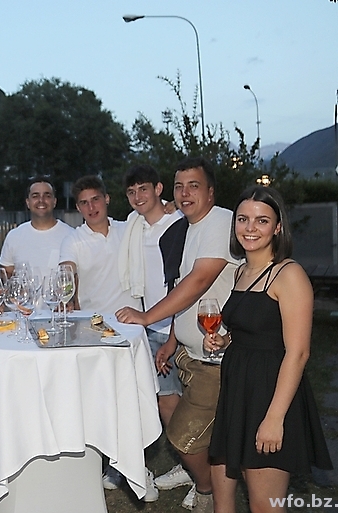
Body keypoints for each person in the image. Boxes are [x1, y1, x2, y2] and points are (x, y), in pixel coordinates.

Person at [116, 157, 240, 513]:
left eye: (193, 186)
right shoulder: (187, 228)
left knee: (183, 436)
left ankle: (206, 490)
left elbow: (198, 281)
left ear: (211, 192)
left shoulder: (221, 222)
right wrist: (172, 341)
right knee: (206, 435)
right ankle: (214, 492)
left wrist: (146, 317)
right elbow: (183, 289)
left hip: (215, 357)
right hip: (189, 353)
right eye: (179, 187)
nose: (185, 193)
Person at [205, 186, 332, 513]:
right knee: (222, 500)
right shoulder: (241, 271)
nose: (250, 228)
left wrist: (275, 418)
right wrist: (223, 340)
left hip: (270, 393)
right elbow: (252, 330)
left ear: (277, 227)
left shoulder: (289, 275)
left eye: (262, 220)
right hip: (236, 393)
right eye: (243, 219)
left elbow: (298, 352)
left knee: (265, 505)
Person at [106, 165, 186, 502]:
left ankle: (197, 470)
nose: (138, 197)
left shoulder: (179, 222)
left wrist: (174, 206)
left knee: (178, 404)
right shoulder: (134, 226)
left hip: (179, 326)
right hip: (151, 328)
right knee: (160, 401)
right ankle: (187, 464)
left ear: (158, 189)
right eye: (131, 192)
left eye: (144, 189)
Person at [59, 174, 140, 314]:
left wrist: (172, 206)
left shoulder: (128, 229)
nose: (91, 207)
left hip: (132, 321)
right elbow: (66, 272)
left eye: (95, 199)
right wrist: (65, 297)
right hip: (94, 321)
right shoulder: (73, 240)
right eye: (84, 203)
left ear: (106, 199)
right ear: (78, 207)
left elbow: (155, 214)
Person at [0, 176, 74, 279]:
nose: (41, 200)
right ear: (28, 202)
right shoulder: (14, 236)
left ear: (54, 202)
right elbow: (5, 276)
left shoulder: (70, 236)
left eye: (47, 196)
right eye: (35, 196)